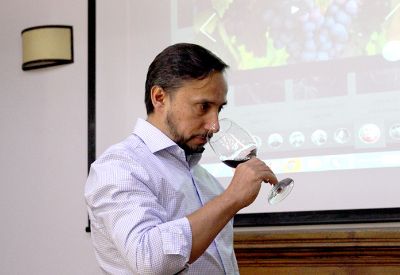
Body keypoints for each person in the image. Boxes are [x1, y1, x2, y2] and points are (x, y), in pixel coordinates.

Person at [85, 43, 278, 274]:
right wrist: (231, 198)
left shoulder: (204, 179)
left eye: (219, 109)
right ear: (159, 97)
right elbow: (150, 261)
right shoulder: (118, 168)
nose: (214, 126)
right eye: (203, 106)